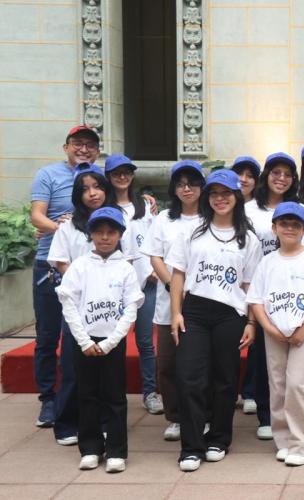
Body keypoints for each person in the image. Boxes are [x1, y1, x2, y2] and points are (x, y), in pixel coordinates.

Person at [167, 169, 261, 472]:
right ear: (208, 197)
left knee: (225, 379)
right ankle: (191, 446)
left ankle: (219, 438)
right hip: (193, 311)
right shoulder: (192, 231)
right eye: (215, 193)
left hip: (230, 314)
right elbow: (178, 274)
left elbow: (249, 286)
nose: (220, 199)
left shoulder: (249, 239)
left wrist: (251, 323)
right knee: (189, 376)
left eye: (226, 193)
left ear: (237, 197)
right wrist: (176, 313)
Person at [246, 201, 304, 466]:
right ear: (274, 227)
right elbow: (256, 301)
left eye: (295, 225)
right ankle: (284, 440)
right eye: (284, 224)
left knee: (297, 383)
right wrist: (269, 328)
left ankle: (302, 443)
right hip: (273, 333)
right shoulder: (267, 262)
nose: (289, 229)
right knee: (278, 385)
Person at [47, 163, 135, 446]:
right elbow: (61, 261)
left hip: (109, 308)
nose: (92, 193)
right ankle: (67, 423)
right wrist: (82, 283)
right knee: (75, 369)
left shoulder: (116, 221)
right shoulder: (68, 225)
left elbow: (126, 262)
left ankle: (106, 425)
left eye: (97, 187)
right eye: (84, 189)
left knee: (110, 376)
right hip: (77, 304)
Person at [56, 207, 144, 473]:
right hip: (84, 341)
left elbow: (131, 307)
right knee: (87, 394)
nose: (105, 237)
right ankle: (91, 448)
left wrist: (111, 341)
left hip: (112, 342)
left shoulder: (125, 269)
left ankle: (117, 450)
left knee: (115, 395)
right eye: (99, 232)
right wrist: (83, 340)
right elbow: (68, 302)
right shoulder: (80, 265)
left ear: (120, 235)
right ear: (90, 234)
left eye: (111, 232)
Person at [30, 125, 101, 429]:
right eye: (78, 144)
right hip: (51, 266)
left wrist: (146, 200)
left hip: (88, 270)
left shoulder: (99, 177)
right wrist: (65, 231)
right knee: (48, 335)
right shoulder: (48, 174)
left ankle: (79, 401)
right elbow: (37, 215)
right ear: (66, 146)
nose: (83, 149)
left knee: (80, 335)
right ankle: (48, 399)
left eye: (90, 145)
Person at [243, 152, 304, 437]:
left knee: (291, 360)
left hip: (291, 290)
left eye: (287, 174)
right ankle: (266, 416)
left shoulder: (299, 209)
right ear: (265, 175)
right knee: (262, 355)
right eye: (275, 173)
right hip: (258, 290)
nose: (281, 179)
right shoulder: (249, 210)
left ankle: (292, 416)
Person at [141, 160, 205, 441]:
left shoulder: (211, 217)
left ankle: (202, 415)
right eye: (180, 184)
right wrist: (170, 283)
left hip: (203, 299)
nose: (186, 188)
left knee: (201, 362)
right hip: (169, 302)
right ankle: (176, 417)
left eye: (192, 183)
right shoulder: (164, 218)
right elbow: (154, 255)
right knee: (167, 362)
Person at [104, 153, 162, 415]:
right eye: (117, 172)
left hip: (145, 282)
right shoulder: (103, 207)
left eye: (127, 172)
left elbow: (154, 239)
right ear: (108, 176)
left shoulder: (145, 206)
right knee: (111, 338)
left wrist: (152, 269)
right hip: (114, 284)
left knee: (145, 342)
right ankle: (112, 393)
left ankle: (150, 392)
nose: (122, 176)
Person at [229, 155, 261, 416]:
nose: (244, 180)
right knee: (230, 340)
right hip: (231, 285)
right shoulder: (224, 207)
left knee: (255, 338)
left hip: (257, 282)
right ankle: (230, 391)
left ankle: (251, 390)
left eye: (250, 176)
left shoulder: (260, 208)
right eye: (240, 174)